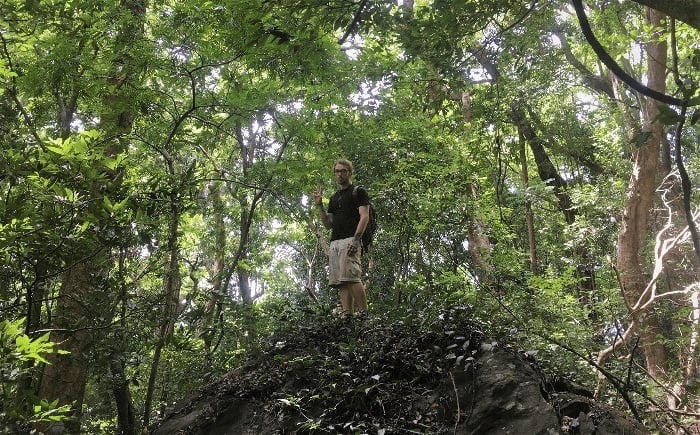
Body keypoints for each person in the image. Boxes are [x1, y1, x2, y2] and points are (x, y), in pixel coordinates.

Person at [313, 159, 370, 314]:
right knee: (341, 282)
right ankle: (348, 317)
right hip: (335, 243)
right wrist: (319, 205)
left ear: (349, 172)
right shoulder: (334, 197)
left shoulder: (358, 192)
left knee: (352, 278)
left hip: (350, 240)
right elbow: (328, 224)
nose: (339, 174)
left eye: (342, 171)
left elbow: (365, 216)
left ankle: (365, 316)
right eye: (337, 171)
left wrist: (356, 240)